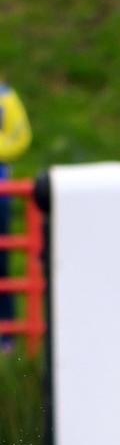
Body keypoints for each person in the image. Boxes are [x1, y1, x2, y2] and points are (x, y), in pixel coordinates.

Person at [0, 76, 32, 347]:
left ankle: (7, 336)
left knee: (1, 259)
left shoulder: (5, 98)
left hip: (1, 187)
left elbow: (20, 138)